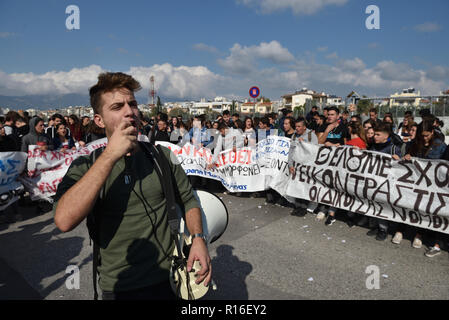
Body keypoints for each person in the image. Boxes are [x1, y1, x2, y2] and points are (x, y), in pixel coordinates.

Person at [53, 72, 211, 300]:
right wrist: (109, 157)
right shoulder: (86, 165)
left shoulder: (161, 157)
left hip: (172, 278)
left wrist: (198, 239)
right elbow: (64, 220)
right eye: (117, 107)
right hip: (119, 286)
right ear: (99, 120)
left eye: (133, 104)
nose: (130, 112)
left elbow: (189, 200)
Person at [364, 122, 401, 241]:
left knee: (383, 206)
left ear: (386, 136)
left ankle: (383, 229)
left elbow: (401, 169)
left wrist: (399, 160)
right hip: (374, 181)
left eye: (377, 134)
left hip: (387, 184)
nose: (374, 136)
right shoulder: (374, 146)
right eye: (374, 134)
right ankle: (376, 226)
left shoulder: (394, 149)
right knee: (375, 204)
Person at [288, 118, 319, 216]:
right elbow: (291, 151)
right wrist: (290, 164)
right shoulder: (294, 136)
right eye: (296, 126)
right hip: (296, 165)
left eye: (299, 126)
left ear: (304, 127)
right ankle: (298, 206)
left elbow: (315, 150)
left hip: (307, 166)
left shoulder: (311, 136)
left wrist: (304, 143)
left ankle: (304, 208)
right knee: (297, 186)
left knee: (305, 187)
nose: (296, 129)